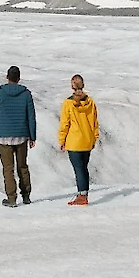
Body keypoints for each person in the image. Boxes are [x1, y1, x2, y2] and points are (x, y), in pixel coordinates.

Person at [0, 66, 37, 207]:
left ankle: (11, 198)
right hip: (22, 135)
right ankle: (26, 195)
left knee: (8, 168)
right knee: (22, 166)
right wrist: (32, 136)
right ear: (19, 78)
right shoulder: (26, 94)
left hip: (3, 136)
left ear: (7, 77)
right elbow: (31, 117)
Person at [56, 74, 100, 205]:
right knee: (83, 168)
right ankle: (83, 192)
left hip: (74, 141)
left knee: (78, 168)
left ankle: (82, 195)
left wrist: (61, 139)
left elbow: (65, 123)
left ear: (72, 85)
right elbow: (94, 121)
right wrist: (94, 137)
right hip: (87, 139)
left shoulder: (68, 103)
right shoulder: (90, 102)